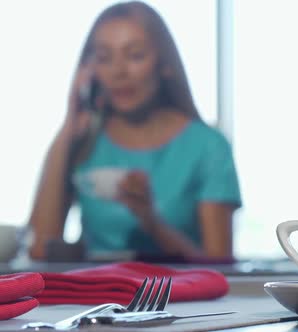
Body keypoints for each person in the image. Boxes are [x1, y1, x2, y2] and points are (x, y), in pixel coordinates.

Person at [28, 1, 241, 260]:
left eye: (135, 55)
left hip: (179, 296)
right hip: (97, 296)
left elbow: (222, 265)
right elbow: (40, 249)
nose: (119, 72)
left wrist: (149, 220)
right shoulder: (84, 141)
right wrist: (68, 126)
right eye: (105, 58)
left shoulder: (208, 146)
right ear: (90, 71)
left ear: (164, 64)